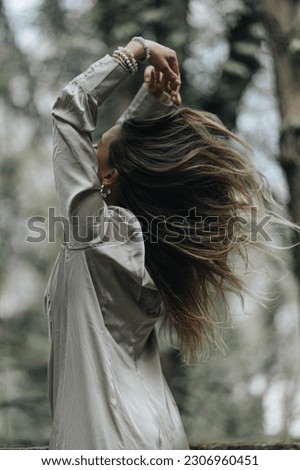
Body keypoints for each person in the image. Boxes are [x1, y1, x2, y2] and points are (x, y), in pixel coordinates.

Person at [44, 36, 289, 450]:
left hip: (109, 439)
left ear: (107, 178)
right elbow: (125, 152)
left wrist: (135, 50)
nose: (90, 146)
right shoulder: (153, 247)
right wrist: (151, 101)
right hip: (159, 432)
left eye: (96, 148)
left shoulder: (92, 236)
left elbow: (69, 111)